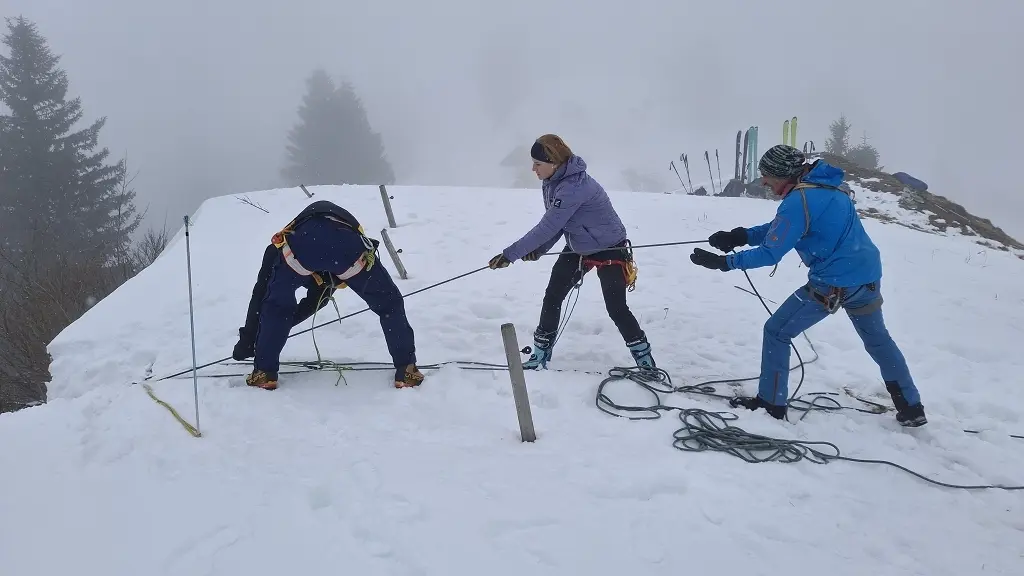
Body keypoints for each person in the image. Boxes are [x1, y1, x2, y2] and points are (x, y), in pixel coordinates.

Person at [688, 144, 926, 427]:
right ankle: (911, 406)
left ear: (782, 174)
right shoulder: (830, 188)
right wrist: (740, 236)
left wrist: (724, 263)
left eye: (766, 175)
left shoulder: (798, 200)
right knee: (878, 340)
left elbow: (770, 252)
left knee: (776, 331)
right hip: (867, 276)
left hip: (834, 284)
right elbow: (787, 226)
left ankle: (770, 404)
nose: (763, 181)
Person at [488, 134, 656, 371]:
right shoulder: (553, 182)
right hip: (580, 245)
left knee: (616, 308)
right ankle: (540, 355)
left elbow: (548, 226)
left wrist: (510, 254)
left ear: (554, 163)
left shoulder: (574, 188)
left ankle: (645, 361)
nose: (532, 169)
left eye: (538, 164)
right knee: (553, 295)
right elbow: (557, 224)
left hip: (611, 247)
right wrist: (539, 250)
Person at [240, 200, 424, 391]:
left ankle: (264, 372)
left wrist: (255, 338)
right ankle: (407, 370)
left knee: (277, 308)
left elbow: (261, 296)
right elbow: (314, 302)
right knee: (389, 305)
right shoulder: (340, 242)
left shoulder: (279, 247)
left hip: (300, 245)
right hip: (347, 247)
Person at [232, 244, 335, 362]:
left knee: (319, 300)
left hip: (325, 266)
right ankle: (249, 343)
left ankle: (268, 332)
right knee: (270, 298)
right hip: (285, 255)